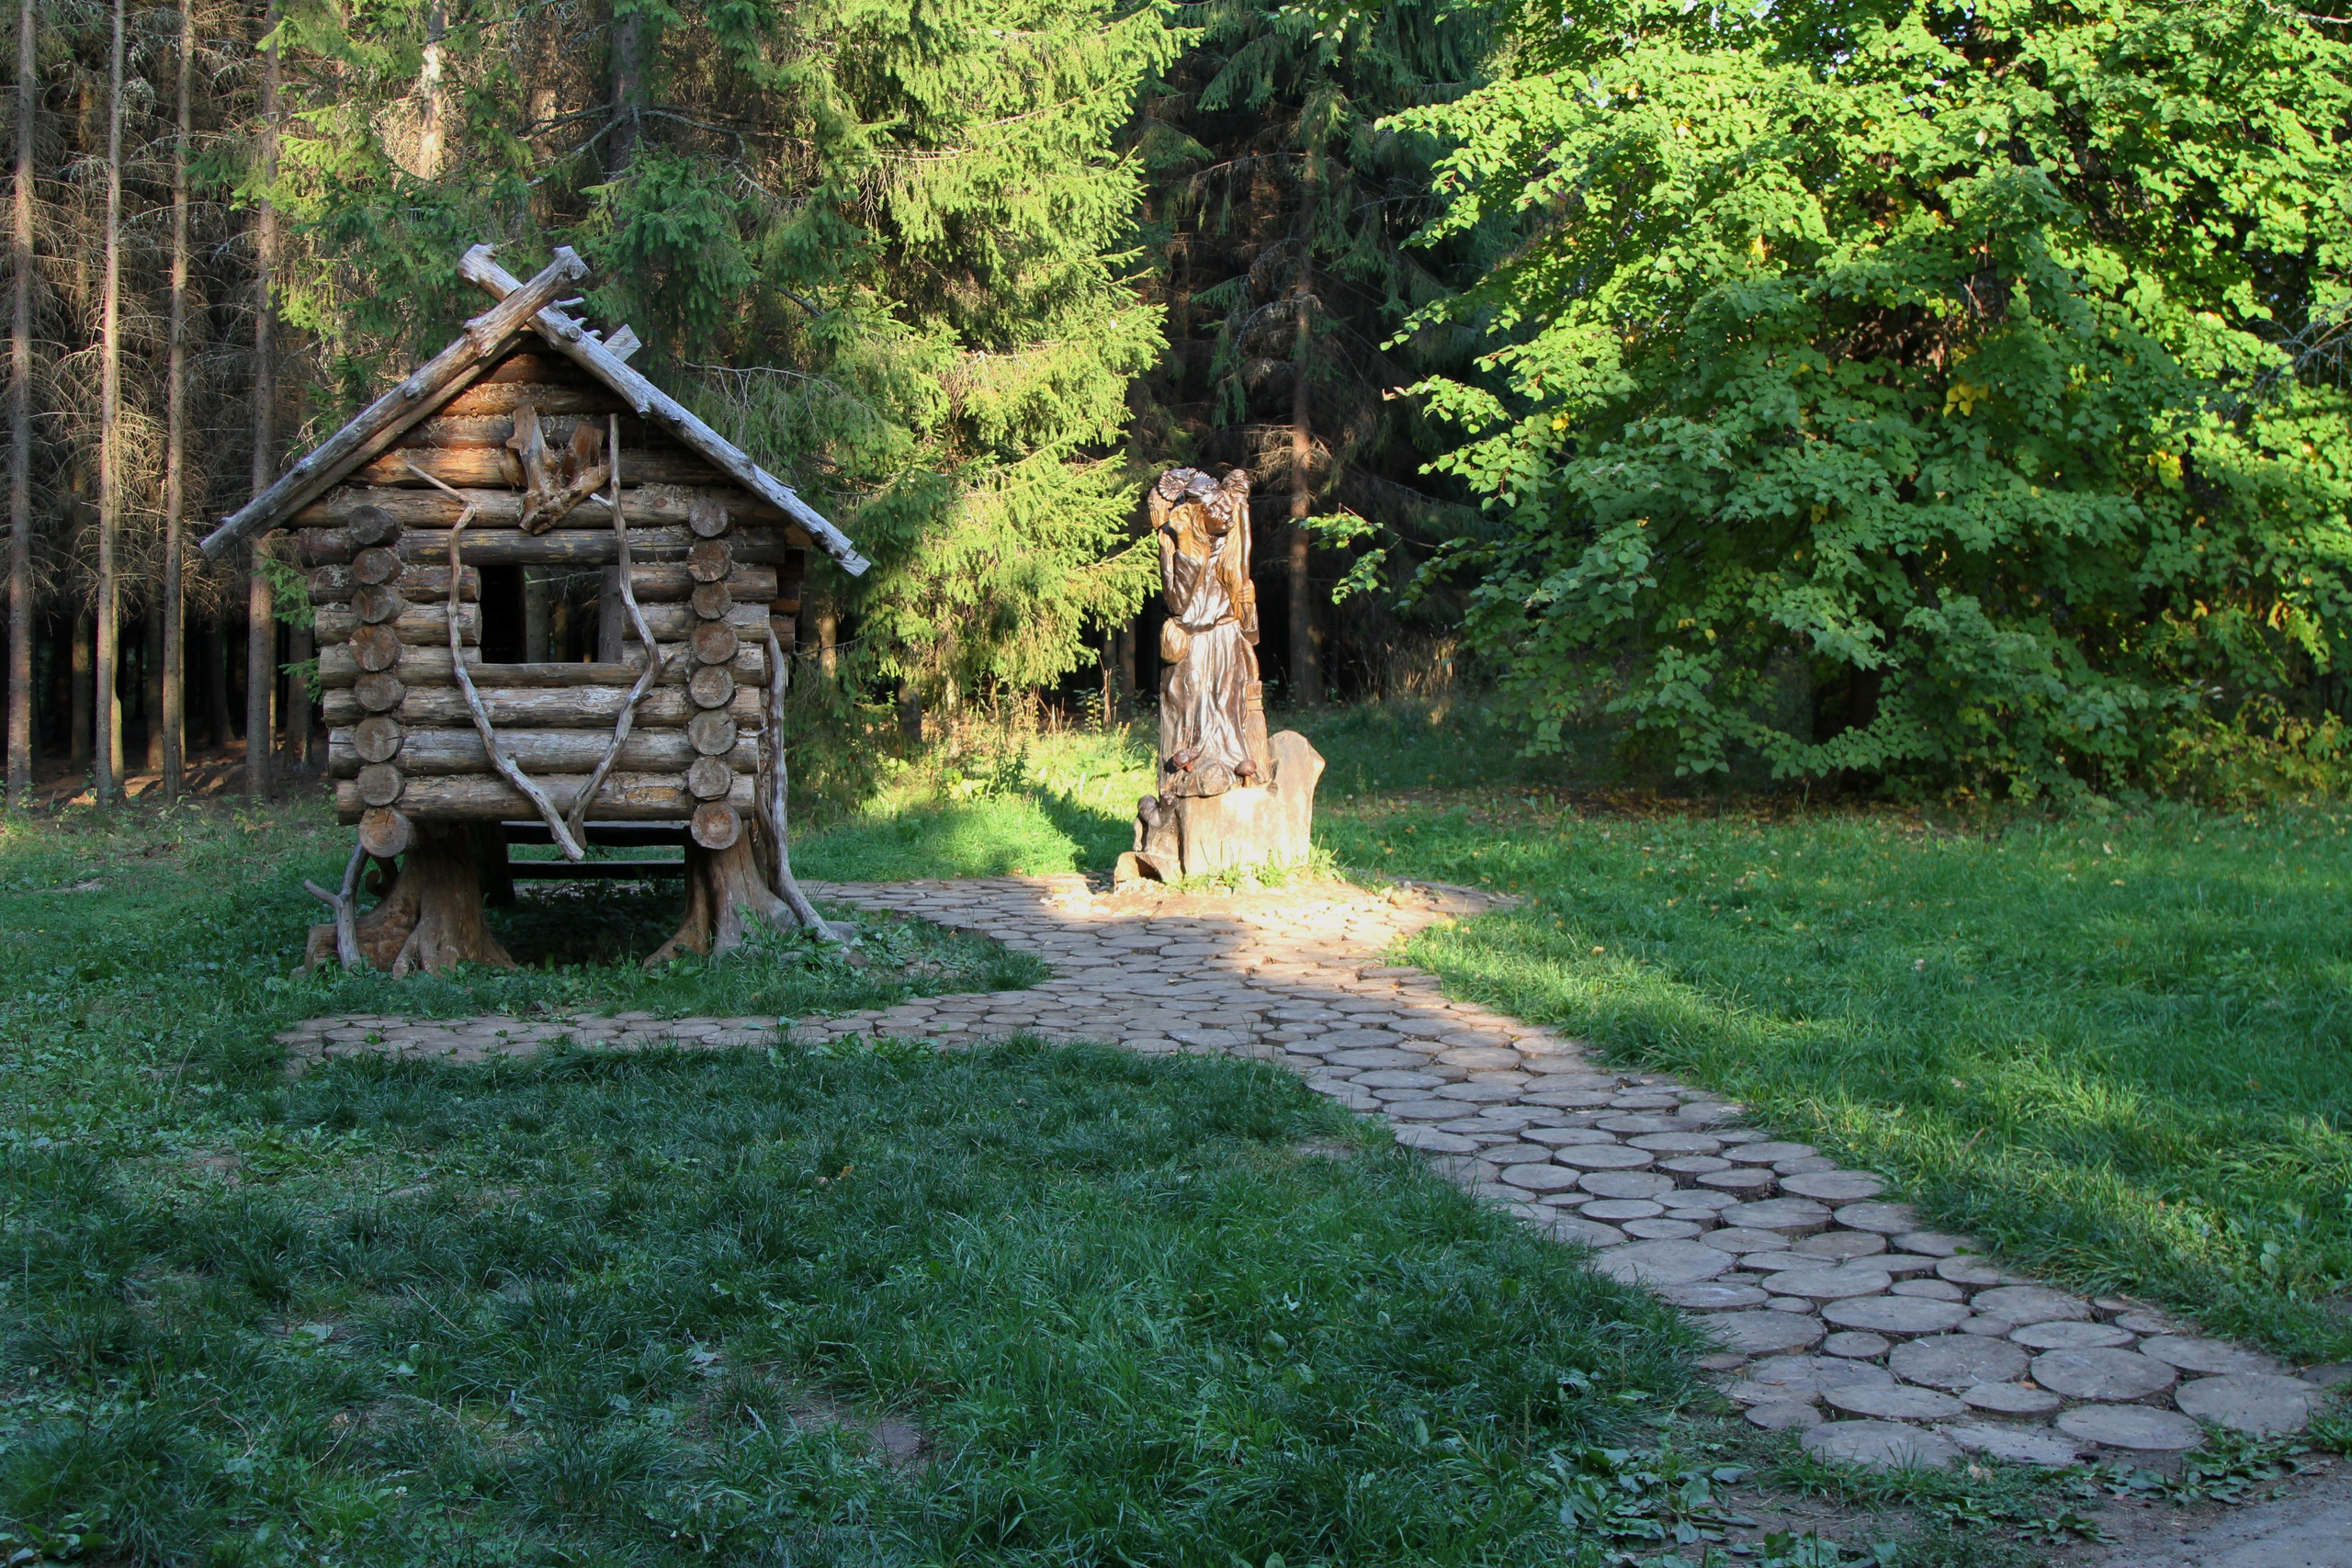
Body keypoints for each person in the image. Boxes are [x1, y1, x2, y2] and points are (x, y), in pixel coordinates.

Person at [1148, 466, 1260, 797]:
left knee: (1228, 701)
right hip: (1194, 641)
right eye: (1215, 509)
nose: (1224, 514)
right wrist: (1187, 548)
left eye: (1226, 507)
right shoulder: (1174, 541)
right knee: (1190, 699)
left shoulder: (1233, 542)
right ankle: (1186, 772)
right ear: (1196, 513)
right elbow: (1178, 602)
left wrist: (1248, 602)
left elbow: (1249, 626)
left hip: (1225, 638)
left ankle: (1234, 760)